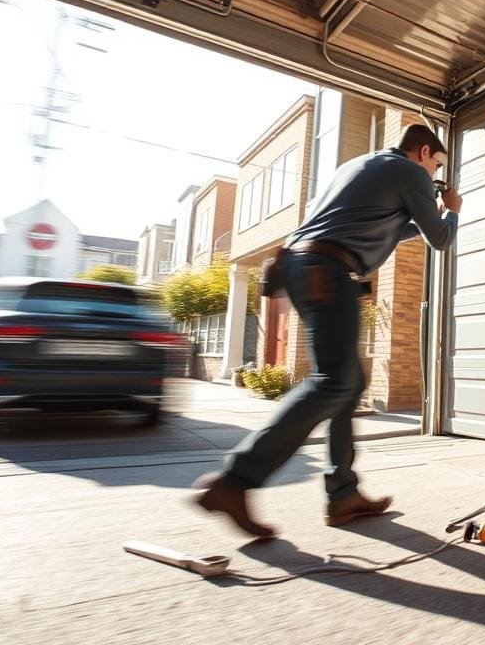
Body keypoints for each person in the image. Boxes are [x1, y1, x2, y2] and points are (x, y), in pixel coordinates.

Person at [194, 123, 462, 538]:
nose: (435, 175)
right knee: (335, 381)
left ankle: (343, 495)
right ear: (425, 152)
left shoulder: (360, 165)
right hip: (327, 269)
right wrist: (452, 210)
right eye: (437, 166)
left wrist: (430, 212)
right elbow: (440, 239)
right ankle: (234, 482)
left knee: (347, 384)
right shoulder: (410, 172)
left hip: (302, 266)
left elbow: (393, 224)